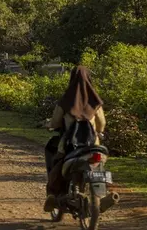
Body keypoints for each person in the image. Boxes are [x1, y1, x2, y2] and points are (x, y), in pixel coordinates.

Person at [43, 66, 106, 212]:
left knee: (56, 166)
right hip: (92, 146)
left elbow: (55, 122)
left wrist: (49, 125)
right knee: (100, 165)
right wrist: (98, 131)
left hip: (70, 146)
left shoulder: (66, 101)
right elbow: (101, 124)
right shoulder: (95, 102)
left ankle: (53, 194)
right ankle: (101, 192)